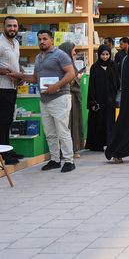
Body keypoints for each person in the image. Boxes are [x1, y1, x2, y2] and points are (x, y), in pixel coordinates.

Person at [9, 30, 76, 172]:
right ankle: (55, 159)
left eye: (45, 38)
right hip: (44, 99)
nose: (42, 41)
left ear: (51, 39)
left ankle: (69, 161)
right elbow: (35, 78)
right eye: (39, 39)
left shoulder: (60, 55)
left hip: (60, 97)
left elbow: (71, 73)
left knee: (62, 131)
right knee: (50, 132)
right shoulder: (39, 57)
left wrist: (56, 86)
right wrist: (19, 75)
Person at [86, 45, 118, 152]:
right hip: (98, 99)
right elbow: (92, 86)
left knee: (110, 121)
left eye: (107, 54)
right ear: (99, 55)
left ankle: (110, 143)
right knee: (98, 121)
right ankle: (97, 145)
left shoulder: (113, 66)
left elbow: (117, 82)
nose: (105, 57)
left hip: (110, 99)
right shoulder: (95, 67)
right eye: (103, 54)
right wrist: (92, 101)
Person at [0, 16, 23, 165]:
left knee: (8, 120)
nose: (12, 28)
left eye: (15, 26)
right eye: (9, 26)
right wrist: (5, 71)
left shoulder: (15, 42)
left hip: (13, 87)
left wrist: (20, 71)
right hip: (2, 87)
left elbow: (15, 62)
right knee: (2, 121)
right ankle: (3, 156)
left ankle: (7, 150)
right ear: (3, 27)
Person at [58, 42, 84, 158]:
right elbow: (67, 80)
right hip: (67, 96)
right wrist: (76, 78)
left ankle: (73, 149)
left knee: (74, 123)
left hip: (73, 97)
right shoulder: (63, 64)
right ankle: (67, 151)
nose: (75, 53)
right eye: (73, 50)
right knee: (67, 124)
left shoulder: (69, 62)